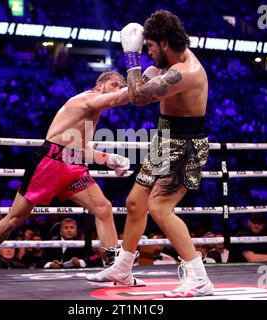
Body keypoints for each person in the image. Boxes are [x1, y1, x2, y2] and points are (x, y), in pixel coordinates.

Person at [87, 10, 214, 297]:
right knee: (135, 202)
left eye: (151, 47)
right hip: (166, 137)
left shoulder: (185, 72)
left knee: (160, 207)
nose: (149, 52)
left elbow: (137, 97)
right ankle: (123, 266)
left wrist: (132, 57)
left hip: (187, 144)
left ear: (165, 42)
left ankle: (198, 276)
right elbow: (142, 90)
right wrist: (150, 69)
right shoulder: (172, 60)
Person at [0, 71, 130, 284]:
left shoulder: (94, 113)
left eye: (120, 86)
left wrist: (108, 158)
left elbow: (78, 149)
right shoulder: (86, 99)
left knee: (103, 208)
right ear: (99, 85)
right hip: (48, 164)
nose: (116, 90)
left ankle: (115, 267)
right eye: (114, 85)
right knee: (14, 219)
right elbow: (117, 99)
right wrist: (141, 76)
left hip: (73, 165)